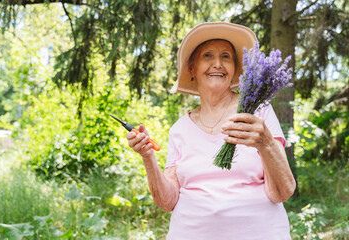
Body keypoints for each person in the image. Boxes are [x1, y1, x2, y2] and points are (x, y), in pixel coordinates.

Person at [126, 22, 296, 240]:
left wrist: (266, 143)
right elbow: (168, 202)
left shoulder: (257, 112)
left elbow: (282, 192)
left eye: (226, 57)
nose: (217, 63)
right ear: (192, 68)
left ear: (235, 68)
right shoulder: (179, 129)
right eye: (208, 55)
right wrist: (148, 156)